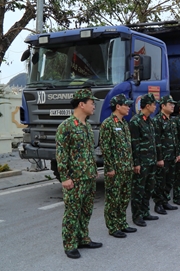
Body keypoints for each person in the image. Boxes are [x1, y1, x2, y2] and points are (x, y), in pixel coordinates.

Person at [56, 88, 102, 259]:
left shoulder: (87, 126)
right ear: (82, 104)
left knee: (86, 210)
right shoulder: (66, 126)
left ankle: (83, 238)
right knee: (72, 212)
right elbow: (61, 154)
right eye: (92, 103)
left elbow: (90, 152)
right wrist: (65, 177)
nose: (94, 106)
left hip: (88, 177)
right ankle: (69, 244)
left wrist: (94, 170)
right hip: (74, 179)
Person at [100, 94, 136, 239]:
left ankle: (122, 223)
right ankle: (112, 226)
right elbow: (105, 147)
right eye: (126, 105)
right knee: (113, 198)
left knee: (124, 197)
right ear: (118, 106)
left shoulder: (124, 124)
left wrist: (131, 165)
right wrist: (109, 168)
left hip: (126, 167)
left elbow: (128, 147)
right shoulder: (108, 124)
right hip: (116, 169)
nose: (128, 107)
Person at [129, 93, 159, 227]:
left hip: (151, 161)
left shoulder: (150, 121)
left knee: (149, 188)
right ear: (147, 105)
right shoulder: (135, 121)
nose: (155, 106)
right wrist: (136, 163)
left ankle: (145, 212)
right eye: (154, 104)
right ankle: (137, 216)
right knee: (138, 190)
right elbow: (134, 144)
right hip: (142, 162)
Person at [152, 95, 180, 215]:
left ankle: (165, 201)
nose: (173, 106)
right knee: (160, 181)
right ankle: (158, 204)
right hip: (163, 157)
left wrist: (177, 154)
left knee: (169, 180)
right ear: (163, 106)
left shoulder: (172, 121)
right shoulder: (157, 120)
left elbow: (175, 139)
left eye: (173, 104)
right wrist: (159, 158)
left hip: (171, 156)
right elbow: (156, 141)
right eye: (170, 104)